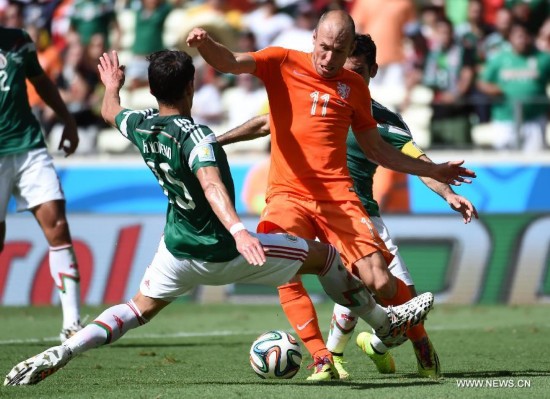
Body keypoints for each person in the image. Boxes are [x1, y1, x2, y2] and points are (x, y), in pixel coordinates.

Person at [3, 49, 435, 387]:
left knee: (135, 310)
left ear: (152, 90)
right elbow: (211, 186)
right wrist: (238, 231)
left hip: (176, 252)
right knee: (325, 258)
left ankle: (64, 351)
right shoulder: (198, 136)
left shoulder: (141, 123)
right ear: (191, 87)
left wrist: (111, 85)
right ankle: (385, 323)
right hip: (227, 250)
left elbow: (109, 112)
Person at [186, 10, 476, 380]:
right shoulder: (281, 62)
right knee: (283, 270)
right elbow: (231, 63)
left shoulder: (356, 91)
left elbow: (380, 151)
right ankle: (322, 357)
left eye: (338, 52)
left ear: (350, 51)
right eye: (324, 48)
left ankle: (409, 335)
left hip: (339, 199)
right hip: (287, 195)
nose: (328, 59)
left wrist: (433, 172)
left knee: (380, 281)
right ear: (313, 40)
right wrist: (206, 45)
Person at [0, 26, 83, 342]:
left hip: (30, 147)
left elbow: (40, 82)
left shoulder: (18, 41)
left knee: (58, 225)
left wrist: (67, 119)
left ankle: (72, 324)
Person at [477, 21, 550, 151]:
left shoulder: (543, 58)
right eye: (518, 36)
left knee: (534, 163)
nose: (522, 40)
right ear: (510, 38)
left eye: (525, 36)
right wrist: (495, 90)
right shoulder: (499, 58)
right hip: (505, 119)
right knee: (506, 164)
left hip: (534, 120)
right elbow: (482, 82)